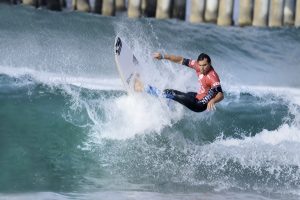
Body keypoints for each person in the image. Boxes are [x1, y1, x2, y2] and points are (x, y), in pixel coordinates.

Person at [152, 52, 224, 112]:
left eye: (205, 65)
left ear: (210, 63)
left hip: (199, 105)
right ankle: (169, 108)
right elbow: (180, 60)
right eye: (200, 65)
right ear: (198, 63)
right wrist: (163, 56)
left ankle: (158, 94)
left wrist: (213, 100)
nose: (202, 68)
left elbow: (221, 95)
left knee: (172, 94)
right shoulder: (197, 65)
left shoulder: (212, 77)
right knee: (168, 91)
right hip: (197, 96)